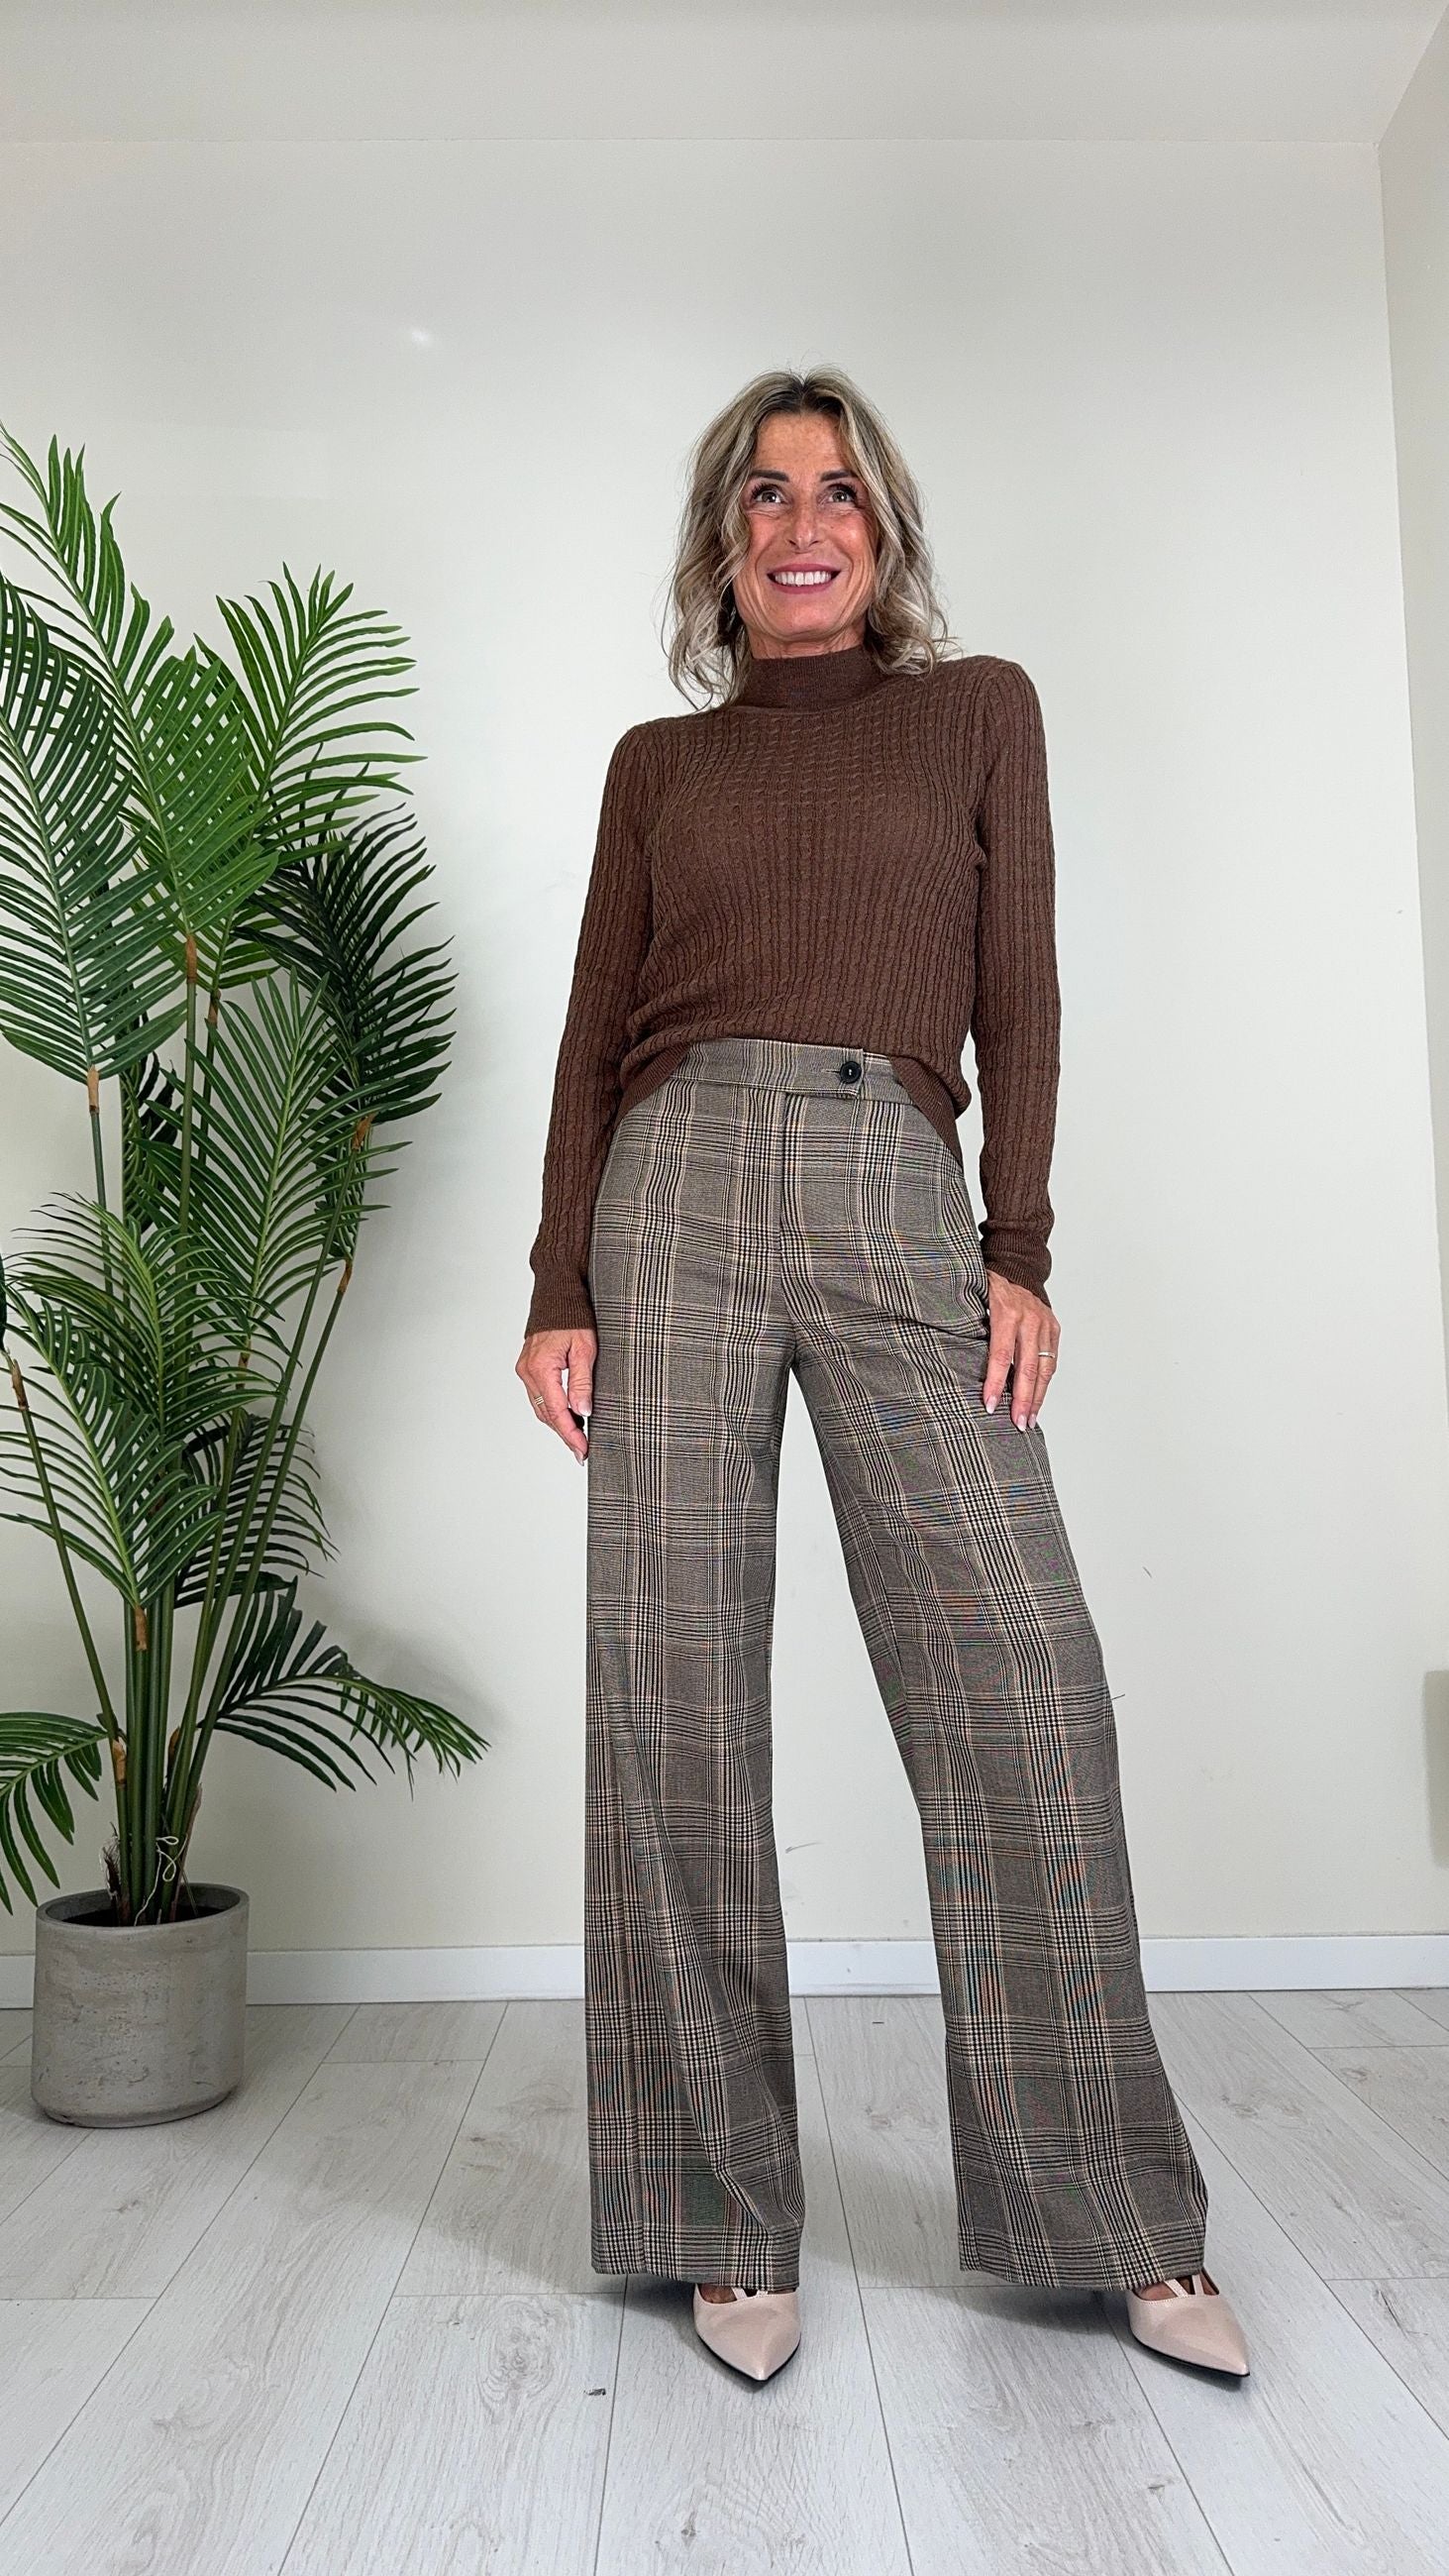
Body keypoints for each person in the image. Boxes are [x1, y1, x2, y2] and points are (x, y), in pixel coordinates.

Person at [516, 365, 1249, 2387]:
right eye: (764, 495)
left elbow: (1022, 987)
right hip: (671, 1189)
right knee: (670, 1697)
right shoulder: (658, 765)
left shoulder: (977, 709)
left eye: (837, 492)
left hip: (892, 1178)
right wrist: (558, 1280)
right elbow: (589, 1030)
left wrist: (1019, 1243)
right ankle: (710, 2213)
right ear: (723, 541)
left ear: (886, 533)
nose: (802, 524)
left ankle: (1110, 2211)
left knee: (1024, 1676)